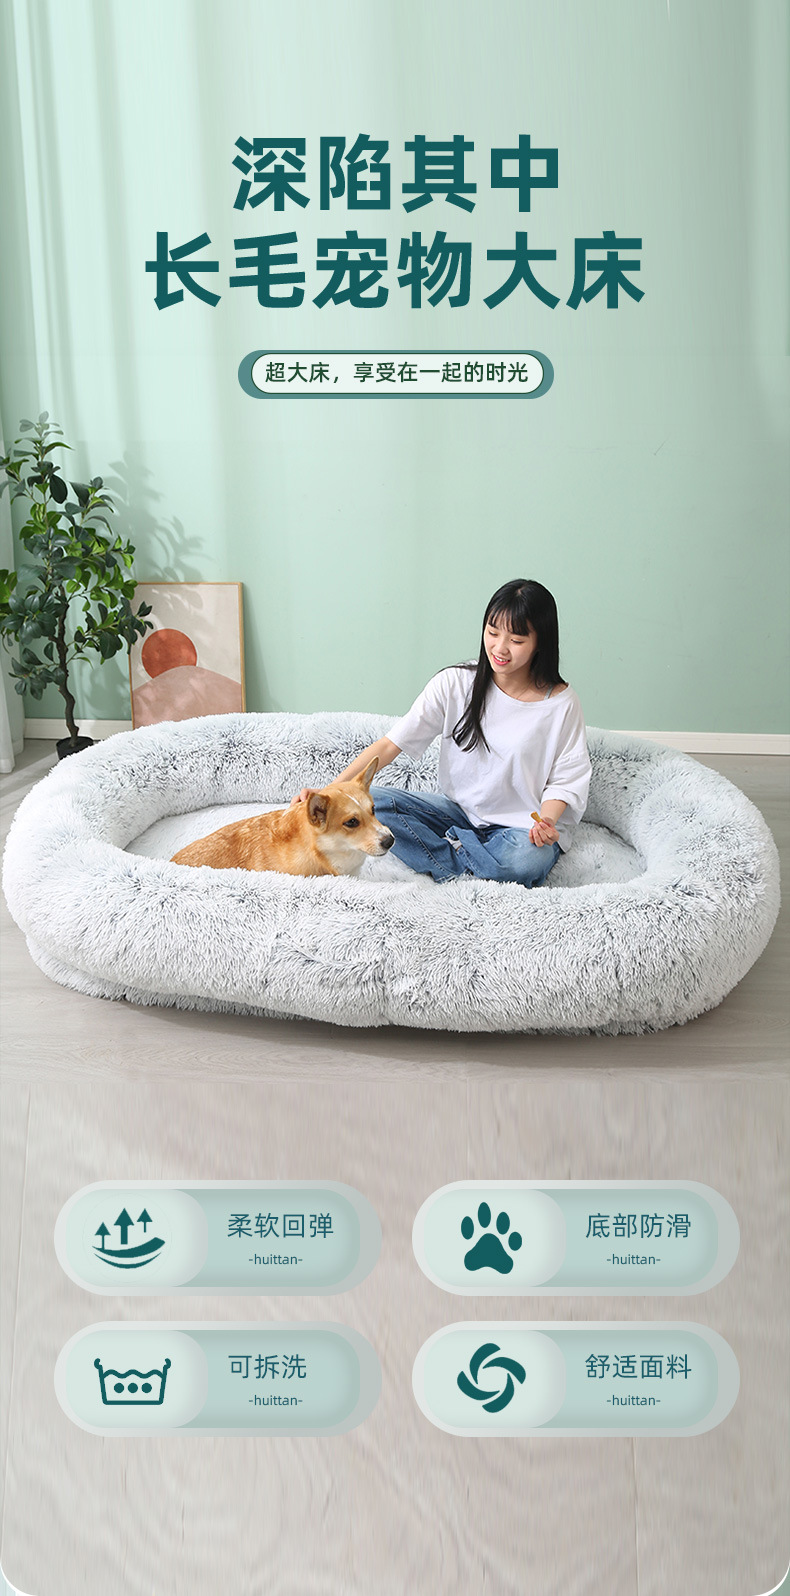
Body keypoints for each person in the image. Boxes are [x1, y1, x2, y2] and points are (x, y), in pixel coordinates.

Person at [292, 579, 591, 887]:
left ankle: (450, 857)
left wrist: (546, 821)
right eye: (492, 632)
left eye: (516, 640)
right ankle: (475, 859)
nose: (500, 648)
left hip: (521, 827)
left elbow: (566, 779)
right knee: (376, 803)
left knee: (527, 860)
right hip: (458, 814)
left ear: (540, 642)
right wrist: (326, 795)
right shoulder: (455, 683)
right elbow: (390, 744)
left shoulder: (561, 704)